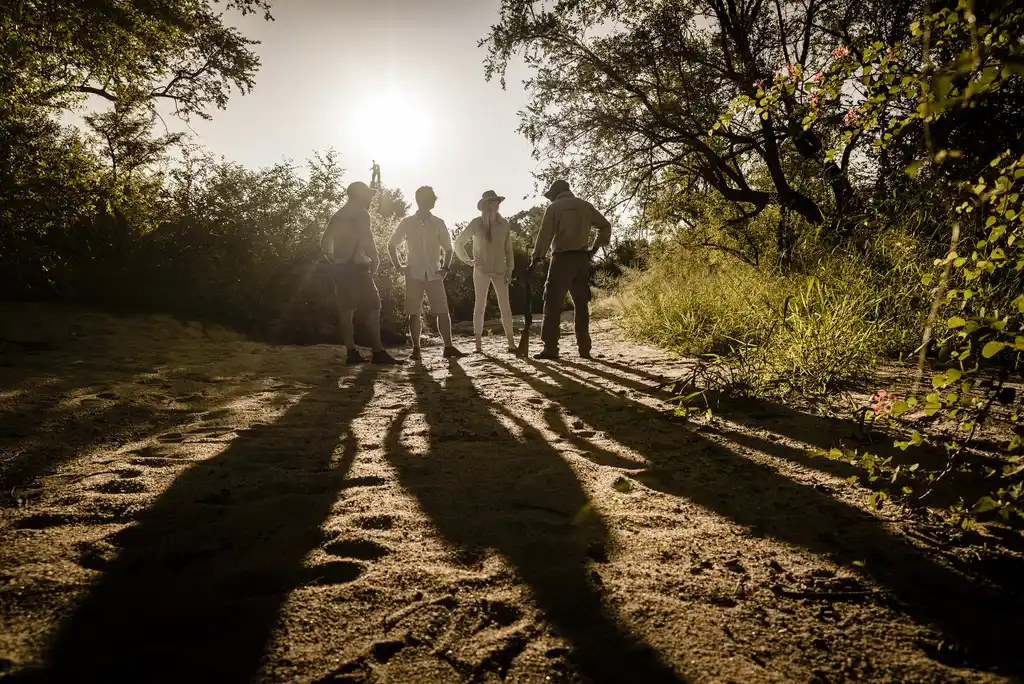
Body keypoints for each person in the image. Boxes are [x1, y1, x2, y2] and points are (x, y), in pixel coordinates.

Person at [320, 181, 401, 365]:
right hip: (358, 268)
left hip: (340, 268)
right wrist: (375, 259)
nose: (371, 198)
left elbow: (324, 242)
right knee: (373, 307)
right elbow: (367, 239)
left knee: (346, 310)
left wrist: (334, 259)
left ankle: (351, 353)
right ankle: (378, 352)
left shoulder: (338, 215)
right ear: (358, 194)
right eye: (368, 194)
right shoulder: (362, 215)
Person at [529, 179, 611, 360]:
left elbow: (545, 235)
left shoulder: (555, 208)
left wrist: (536, 259)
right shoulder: (585, 206)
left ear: (555, 194)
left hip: (562, 260)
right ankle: (584, 348)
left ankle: (551, 348)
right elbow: (605, 226)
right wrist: (593, 250)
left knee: (552, 303)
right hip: (582, 259)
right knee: (581, 305)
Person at [388, 186, 466, 360]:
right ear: (420, 200)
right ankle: (416, 349)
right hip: (413, 273)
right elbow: (391, 245)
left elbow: (448, 248)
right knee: (413, 312)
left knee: (442, 310)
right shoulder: (407, 222)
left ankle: (448, 346)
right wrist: (398, 266)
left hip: (434, 273)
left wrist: (445, 268)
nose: (435, 199)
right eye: (431, 197)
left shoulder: (438, 223)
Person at [454, 190, 517, 354]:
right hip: (481, 270)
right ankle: (478, 346)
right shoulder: (476, 223)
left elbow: (508, 249)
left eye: (497, 201)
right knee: (480, 305)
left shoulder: (504, 224)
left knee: (506, 306)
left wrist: (510, 269)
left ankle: (511, 344)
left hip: (500, 271)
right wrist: (469, 261)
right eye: (492, 201)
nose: (495, 204)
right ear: (484, 205)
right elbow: (458, 243)